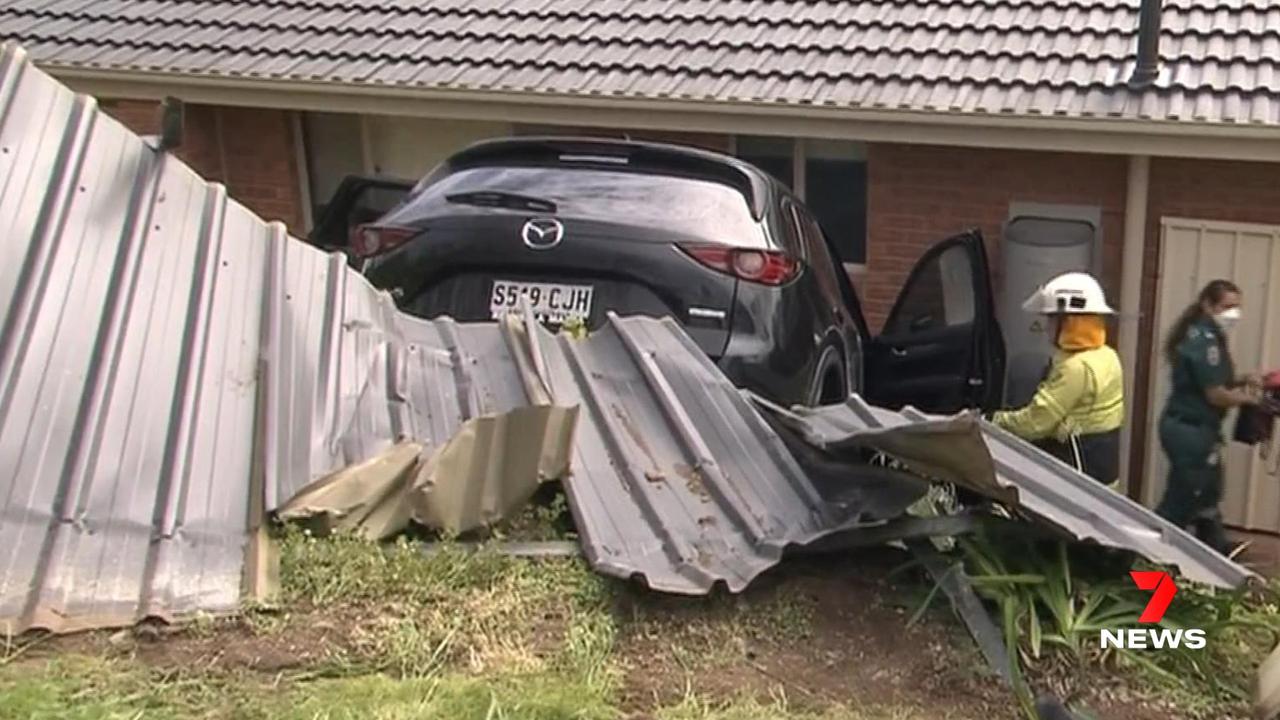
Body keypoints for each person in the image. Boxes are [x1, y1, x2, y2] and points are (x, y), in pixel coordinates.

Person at [1154, 279, 1260, 555]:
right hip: (1189, 431)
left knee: (1209, 491)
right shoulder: (1203, 341)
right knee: (1184, 497)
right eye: (1227, 307)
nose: (1233, 314)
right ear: (1207, 305)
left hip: (1203, 430)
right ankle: (1149, 561)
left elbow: (1215, 380)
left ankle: (1215, 549)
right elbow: (1215, 394)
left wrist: (1242, 379)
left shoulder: (1212, 336)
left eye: (1237, 307)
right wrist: (1249, 399)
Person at [991, 272, 1125, 485]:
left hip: (1077, 477)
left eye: (1052, 319)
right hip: (1101, 474)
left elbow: (1036, 422)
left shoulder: (1076, 368)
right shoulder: (1107, 356)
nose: (1047, 327)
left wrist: (994, 420)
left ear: (1070, 322)